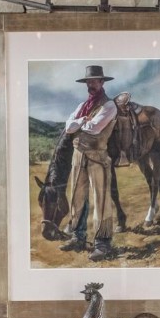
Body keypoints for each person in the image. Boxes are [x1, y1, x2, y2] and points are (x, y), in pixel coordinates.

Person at [62, 65, 120, 258]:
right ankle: (78, 237)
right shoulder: (82, 106)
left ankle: (103, 244)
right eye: (88, 81)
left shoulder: (109, 105)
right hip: (78, 155)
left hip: (97, 156)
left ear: (102, 82)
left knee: (101, 199)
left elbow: (94, 128)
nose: (90, 84)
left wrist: (79, 123)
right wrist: (80, 123)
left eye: (94, 81)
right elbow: (69, 127)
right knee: (76, 196)